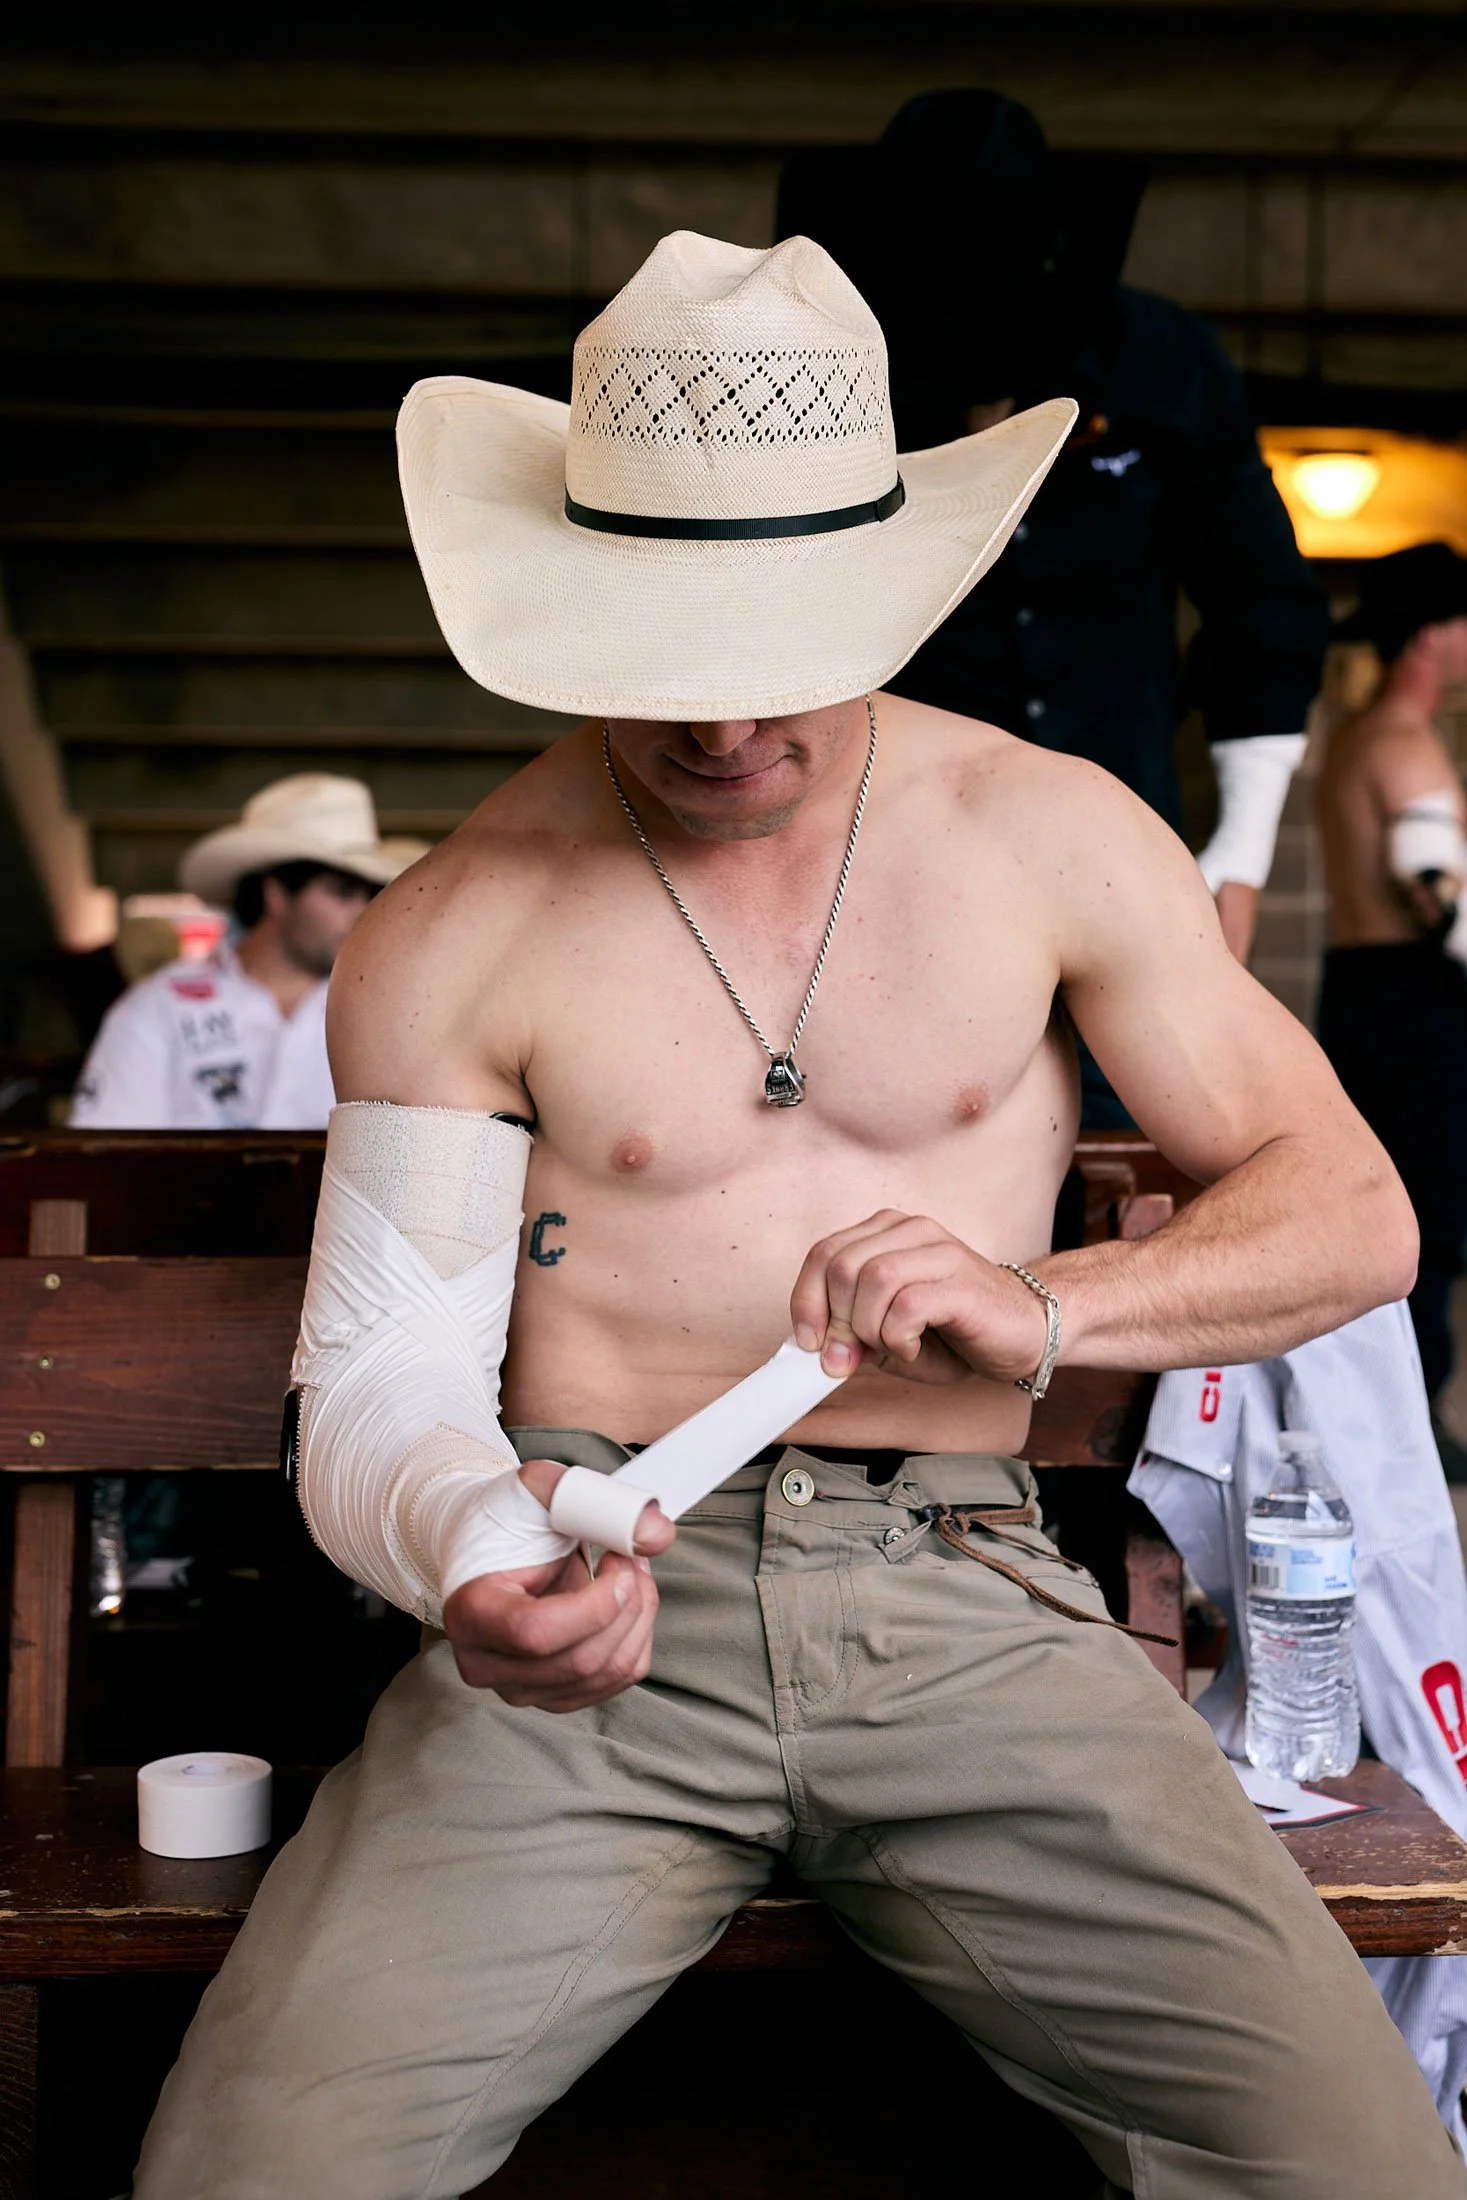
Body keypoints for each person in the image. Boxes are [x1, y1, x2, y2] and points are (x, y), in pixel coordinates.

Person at [135, 233, 1457, 2200]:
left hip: (966, 1599)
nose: (727, 723)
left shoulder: (1048, 832)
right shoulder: (455, 924)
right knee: (246, 2166)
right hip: (589, 1612)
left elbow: (1351, 1214)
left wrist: (1049, 1297)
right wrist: (477, 1549)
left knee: (1357, 2167)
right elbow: (381, 1374)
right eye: (664, 660)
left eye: (782, 647)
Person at [779, 91, 1329, 994]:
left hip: (1118, 837)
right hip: (882, 864)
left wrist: (1239, 850)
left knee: (1134, 1111)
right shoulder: (808, 372)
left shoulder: (1161, 364)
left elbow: (1261, 600)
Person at [1317, 543, 1467, 1408]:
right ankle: (1408, 1414)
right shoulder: (1403, 744)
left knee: (1381, 1205)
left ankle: (1382, 1408)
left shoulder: (1353, 737)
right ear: (1431, 634)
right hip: (1415, 1003)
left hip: (1362, 995)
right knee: (1425, 1217)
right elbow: (1431, 893)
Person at [70, 773, 419, 1130]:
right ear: (275, 894)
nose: (362, 912)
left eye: (369, 894)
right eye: (342, 891)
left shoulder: (383, 1011)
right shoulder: (160, 1006)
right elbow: (104, 1152)